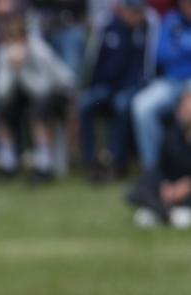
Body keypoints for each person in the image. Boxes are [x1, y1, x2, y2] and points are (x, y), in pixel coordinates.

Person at [79, 0, 157, 180]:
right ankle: (91, 162)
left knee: (121, 104)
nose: (135, 16)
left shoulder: (148, 26)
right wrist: (90, 85)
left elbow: (148, 68)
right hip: (106, 86)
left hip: (132, 87)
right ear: (122, 11)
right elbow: (93, 62)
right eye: (132, 11)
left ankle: (117, 162)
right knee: (85, 103)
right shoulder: (106, 24)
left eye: (138, 11)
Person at [0, 12, 74, 181]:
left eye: (19, 38)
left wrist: (22, 68)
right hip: (27, 92)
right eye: (11, 39)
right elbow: (0, 92)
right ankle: (8, 163)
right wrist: (12, 69)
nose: (15, 44)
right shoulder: (2, 54)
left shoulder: (40, 50)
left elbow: (43, 89)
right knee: (2, 111)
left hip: (58, 90)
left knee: (38, 111)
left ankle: (44, 165)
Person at [131, 0, 191, 172]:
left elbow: (173, 51)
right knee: (142, 106)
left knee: (188, 110)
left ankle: (185, 172)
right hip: (170, 81)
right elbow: (161, 54)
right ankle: (154, 171)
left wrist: (180, 45)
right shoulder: (171, 20)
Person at [127, 85, 191, 228]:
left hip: (187, 190)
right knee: (137, 189)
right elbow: (160, 168)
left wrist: (187, 186)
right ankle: (167, 212)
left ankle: (161, 211)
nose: (185, 108)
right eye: (184, 103)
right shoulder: (171, 136)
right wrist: (165, 186)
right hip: (171, 187)